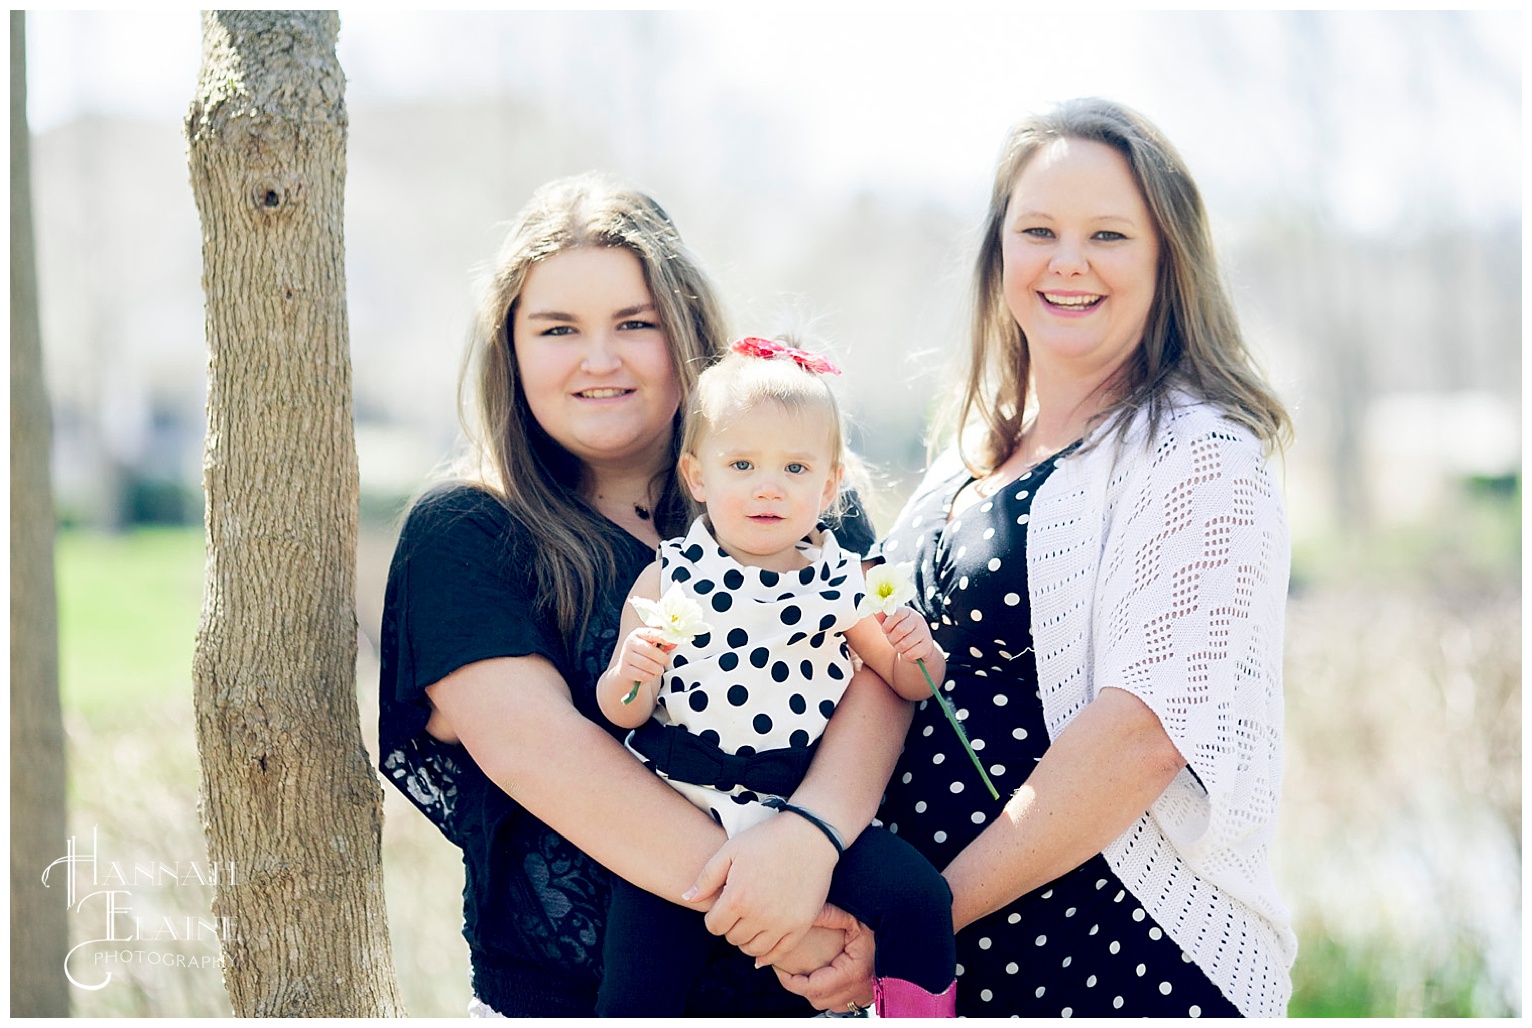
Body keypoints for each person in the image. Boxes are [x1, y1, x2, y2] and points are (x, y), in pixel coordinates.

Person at [776, 97, 1297, 1017]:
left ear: (1167, 259)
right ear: (1000, 256)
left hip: (1118, 954)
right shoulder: (969, 458)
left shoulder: (1197, 455)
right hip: (960, 967)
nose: (1068, 261)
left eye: (1108, 234)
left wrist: (917, 922)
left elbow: (1134, 739)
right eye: (1039, 230)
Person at [376, 174, 911, 1016]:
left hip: (806, 991)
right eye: (558, 329)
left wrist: (816, 841)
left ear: (688, 333)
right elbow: (542, 755)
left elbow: (879, 680)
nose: (600, 359)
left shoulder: (792, 492)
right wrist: (787, 921)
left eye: (636, 324)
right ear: (510, 348)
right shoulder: (468, 532)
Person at [593, 339, 958, 1017]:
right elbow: (623, 711)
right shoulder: (672, 576)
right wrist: (632, 672)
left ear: (828, 486)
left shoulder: (843, 580)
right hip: (687, 811)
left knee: (919, 898)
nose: (769, 486)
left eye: (794, 468)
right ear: (699, 479)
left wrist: (917, 648)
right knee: (638, 989)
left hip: (801, 808)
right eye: (743, 465)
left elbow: (909, 686)